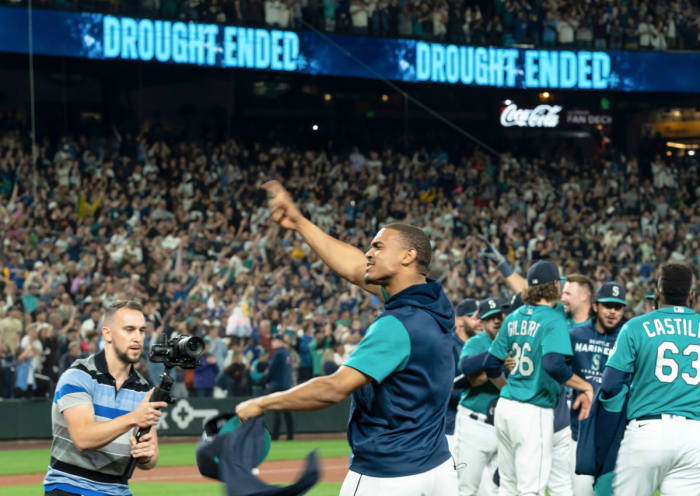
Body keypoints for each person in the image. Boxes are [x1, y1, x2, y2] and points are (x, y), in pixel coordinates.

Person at [236, 180, 458, 496]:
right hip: (437, 469)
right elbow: (354, 269)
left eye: (378, 247)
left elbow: (332, 389)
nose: (368, 253)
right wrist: (298, 222)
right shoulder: (436, 303)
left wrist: (261, 402)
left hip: (387, 475)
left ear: (408, 256)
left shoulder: (395, 325)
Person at [485, 261, 594, 496]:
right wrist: (584, 385)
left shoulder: (513, 317)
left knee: (508, 486)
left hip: (507, 407)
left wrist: (507, 388)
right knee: (530, 490)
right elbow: (554, 365)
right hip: (533, 411)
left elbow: (491, 364)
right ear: (554, 285)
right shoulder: (553, 319)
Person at [43, 301, 167, 496]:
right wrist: (134, 417)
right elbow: (83, 438)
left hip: (118, 489)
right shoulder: (78, 375)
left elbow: (151, 457)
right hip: (70, 487)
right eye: (129, 329)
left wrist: (145, 455)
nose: (137, 338)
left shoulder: (144, 389)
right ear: (107, 333)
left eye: (142, 331)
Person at [601, 263, 699, 494]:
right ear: (691, 296)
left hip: (648, 430)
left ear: (656, 293)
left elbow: (610, 384)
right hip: (695, 436)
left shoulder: (635, 327)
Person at [568, 282, 626, 496]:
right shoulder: (575, 335)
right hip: (580, 429)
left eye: (618, 307)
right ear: (595, 306)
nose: (612, 311)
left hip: (615, 434)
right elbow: (560, 371)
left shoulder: (627, 337)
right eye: (607, 305)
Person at [455, 298, 503, 496]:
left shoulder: (512, 341)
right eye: (490, 318)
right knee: (468, 488)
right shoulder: (476, 342)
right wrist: (497, 353)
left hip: (502, 426)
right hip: (474, 424)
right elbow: (466, 367)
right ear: (481, 322)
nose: (496, 321)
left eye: (498, 316)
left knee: (499, 489)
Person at [447, 298, 480, 457]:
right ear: (459, 321)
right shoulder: (447, 347)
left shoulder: (483, 343)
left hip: (481, 424)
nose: (479, 321)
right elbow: (446, 389)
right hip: (452, 427)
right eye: (473, 317)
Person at [266, 335, 294, 440]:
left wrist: (266, 380)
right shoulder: (286, 353)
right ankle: (290, 435)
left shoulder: (278, 353)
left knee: (276, 412)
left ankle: (275, 436)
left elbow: (271, 370)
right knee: (287, 412)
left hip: (276, 386)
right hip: (286, 386)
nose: (273, 342)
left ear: (280, 342)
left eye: (275, 340)